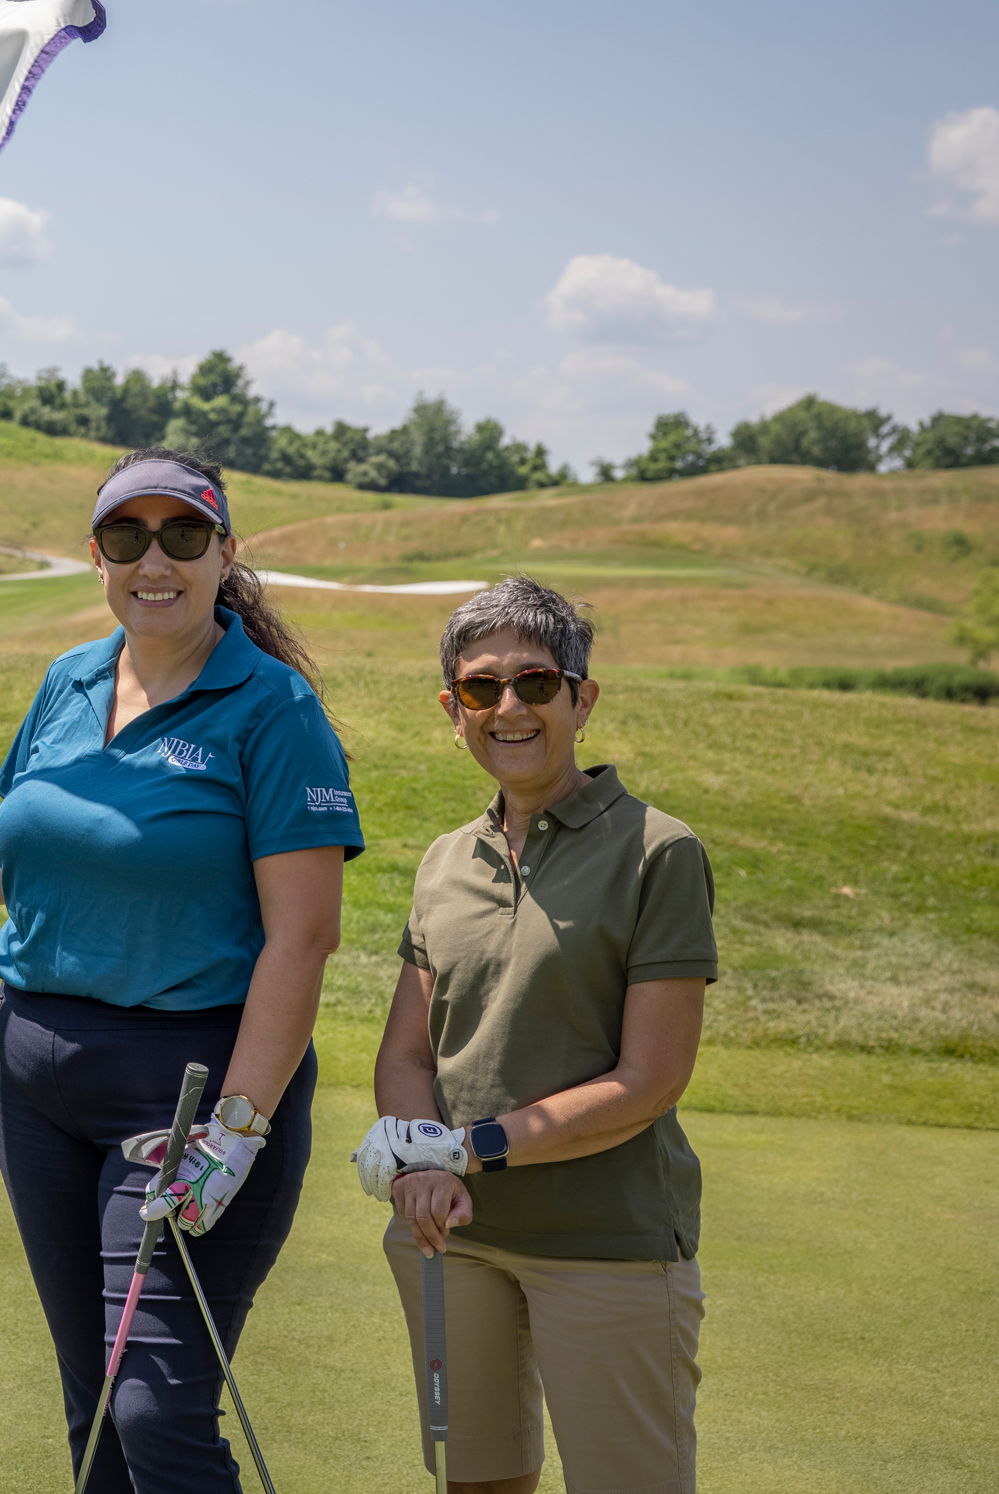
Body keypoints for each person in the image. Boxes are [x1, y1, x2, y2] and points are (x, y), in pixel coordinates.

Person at [0, 447, 363, 1493]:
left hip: (188, 1094)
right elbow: (17, 856)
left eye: (183, 534)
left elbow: (301, 939)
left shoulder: (272, 711)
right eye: (127, 537)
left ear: (226, 552)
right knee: (95, 1411)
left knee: (154, 1408)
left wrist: (238, 1125)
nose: (154, 559)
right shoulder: (70, 680)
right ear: (97, 555)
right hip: (35, 1078)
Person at [355, 575, 715, 1494]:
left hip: (609, 1245)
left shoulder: (657, 849)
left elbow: (649, 1080)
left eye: (535, 682)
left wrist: (463, 1150)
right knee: (477, 1485)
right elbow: (406, 1054)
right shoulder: (444, 860)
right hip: (456, 1239)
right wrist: (419, 1160)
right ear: (453, 707)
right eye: (481, 687)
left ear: (581, 697)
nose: (507, 707)